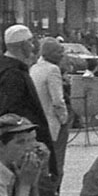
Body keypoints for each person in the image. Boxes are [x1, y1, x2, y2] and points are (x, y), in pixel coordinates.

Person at [0, 24, 62, 196]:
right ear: (22, 45)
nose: (33, 45)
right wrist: (27, 145)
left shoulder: (13, 69)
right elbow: (9, 118)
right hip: (23, 151)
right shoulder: (11, 75)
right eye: (30, 41)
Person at [29, 37, 71, 186]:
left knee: (42, 165)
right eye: (60, 52)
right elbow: (58, 100)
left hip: (39, 123)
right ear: (52, 54)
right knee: (57, 164)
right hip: (54, 125)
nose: (62, 55)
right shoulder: (53, 70)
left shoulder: (34, 68)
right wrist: (64, 118)